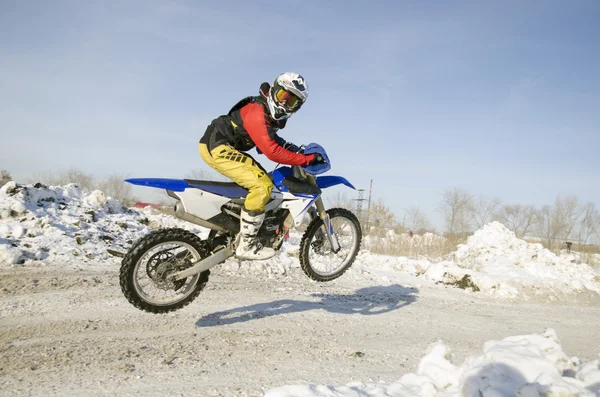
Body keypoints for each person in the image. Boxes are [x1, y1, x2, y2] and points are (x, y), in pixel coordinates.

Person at [199, 72, 326, 260]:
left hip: (222, 145)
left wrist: (295, 150)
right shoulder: (257, 111)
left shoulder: (267, 112)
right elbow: (271, 150)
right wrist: (305, 160)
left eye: (291, 102)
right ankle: (246, 245)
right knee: (262, 185)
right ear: (275, 90)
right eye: (284, 96)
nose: (284, 104)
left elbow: (270, 139)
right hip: (217, 146)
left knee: (260, 180)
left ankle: (231, 229)